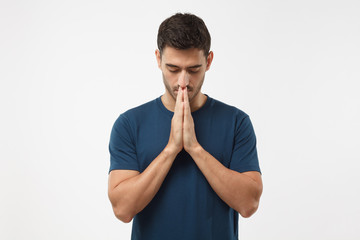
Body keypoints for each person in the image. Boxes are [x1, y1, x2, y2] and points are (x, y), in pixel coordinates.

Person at [107, 13, 263, 240]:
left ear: (208, 61)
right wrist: (171, 149)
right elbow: (122, 209)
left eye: (193, 69)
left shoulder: (236, 122)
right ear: (158, 59)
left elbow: (249, 204)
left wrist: (194, 148)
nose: (183, 81)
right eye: (173, 69)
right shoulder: (129, 124)